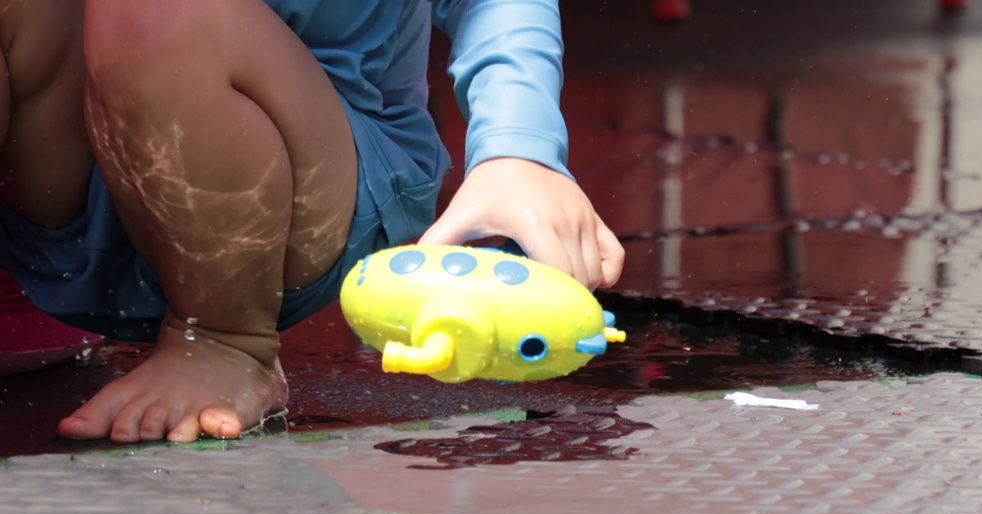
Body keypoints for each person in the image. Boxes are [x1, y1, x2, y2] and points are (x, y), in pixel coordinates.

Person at [0, 0, 624, 444]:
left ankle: (224, 340)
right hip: (77, 187)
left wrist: (519, 149)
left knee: (156, 10)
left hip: (307, 192)